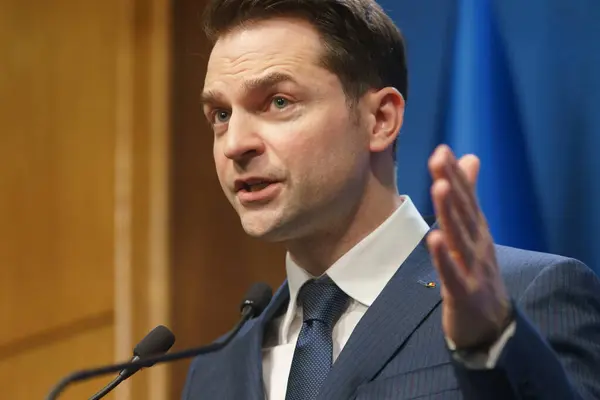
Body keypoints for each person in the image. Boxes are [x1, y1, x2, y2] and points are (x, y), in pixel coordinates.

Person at [182, 0, 600, 399]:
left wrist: (490, 344)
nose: (235, 144)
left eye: (278, 102)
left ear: (380, 119)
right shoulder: (215, 370)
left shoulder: (523, 299)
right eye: (221, 115)